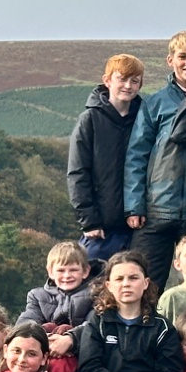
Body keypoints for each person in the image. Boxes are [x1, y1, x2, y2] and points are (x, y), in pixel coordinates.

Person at [122, 31, 186, 288]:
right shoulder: (156, 103)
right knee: (144, 284)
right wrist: (134, 205)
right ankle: (147, 330)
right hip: (156, 209)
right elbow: (137, 155)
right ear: (171, 60)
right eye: (182, 56)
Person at [67, 55, 145, 266]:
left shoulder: (145, 119)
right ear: (107, 80)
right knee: (92, 291)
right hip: (101, 229)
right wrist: (89, 220)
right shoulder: (89, 120)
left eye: (134, 81)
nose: (128, 86)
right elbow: (77, 173)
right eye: (122, 79)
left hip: (138, 226)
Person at [24, 241, 97, 360]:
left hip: (82, 352)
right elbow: (26, 323)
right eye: (61, 270)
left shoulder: (96, 295)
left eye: (73, 270)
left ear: (85, 271)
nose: (67, 275)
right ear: (50, 272)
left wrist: (70, 339)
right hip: (45, 351)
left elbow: (94, 325)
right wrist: (45, 338)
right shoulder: (37, 296)